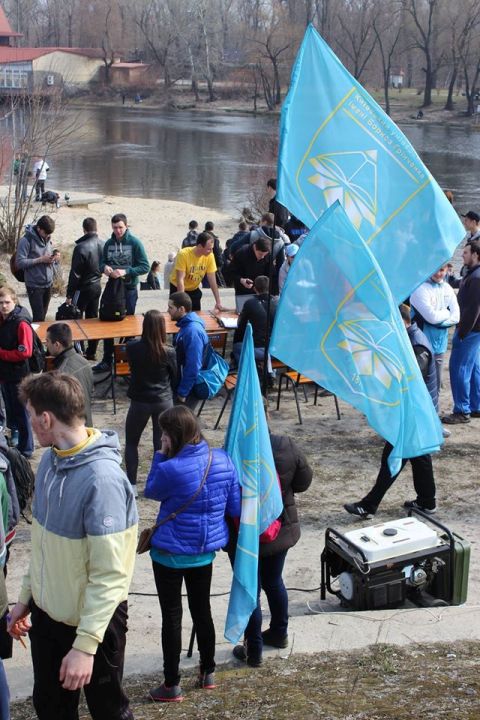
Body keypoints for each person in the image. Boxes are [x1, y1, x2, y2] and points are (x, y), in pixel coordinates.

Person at [8, 373, 138, 720]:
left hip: (97, 624)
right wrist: (26, 598)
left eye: (30, 415)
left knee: (109, 712)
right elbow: (43, 545)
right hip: (48, 618)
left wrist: (84, 646)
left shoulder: (103, 481)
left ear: (46, 418)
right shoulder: (49, 462)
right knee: (50, 708)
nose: (28, 423)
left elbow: (111, 575)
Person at [144, 405, 240, 702]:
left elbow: (151, 490)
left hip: (169, 554)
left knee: (172, 617)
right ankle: (208, 671)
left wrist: (160, 455)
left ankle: (171, 684)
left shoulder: (170, 468)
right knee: (202, 610)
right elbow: (235, 507)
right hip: (203, 552)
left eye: (163, 433)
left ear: (173, 436)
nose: (161, 437)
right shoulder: (223, 460)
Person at [344, 304, 438, 518]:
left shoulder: (417, 345)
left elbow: (410, 380)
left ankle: (369, 505)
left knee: (393, 457)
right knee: (419, 458)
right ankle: (427, 501)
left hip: (414, 413)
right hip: (415, 411)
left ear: (402, 322)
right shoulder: (409, 340)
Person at [232, 430, 313, 666]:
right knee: (273, 582)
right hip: (279, 527)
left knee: (252, 589)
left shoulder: (236, 447)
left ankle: (254, 649)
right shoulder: (285, 444)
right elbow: (303, 481)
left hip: (247, 532)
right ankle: (278, 632)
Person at [125, 310, 177, 496]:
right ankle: (158, 482)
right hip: (163, 400)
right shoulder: (169, 351)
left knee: (132, 442)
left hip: (140, 401)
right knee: (161, 443)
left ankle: (132, 484)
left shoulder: (132, 347)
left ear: (144, 326)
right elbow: (175, 376)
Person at [93, 213, 150, 373]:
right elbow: (101, 263)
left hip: (129, 289)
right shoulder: (108, 243)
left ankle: (126, 359)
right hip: (112, 288)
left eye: (120, 227)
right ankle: (107, 360)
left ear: (126, 226)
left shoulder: (135, 243)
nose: (118, 231)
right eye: (115, 227)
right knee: (108, 322)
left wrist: (126, 271)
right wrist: (104, 268)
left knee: (128, 325)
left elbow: (145, 266)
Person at [442, 241, 480, 424]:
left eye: (465, 252)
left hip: (470, 331)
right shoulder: (472, 273)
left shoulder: (477, 277)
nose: (462, 255)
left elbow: (474, 309)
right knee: (473, 368)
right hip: (473, 331)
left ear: (475, 255)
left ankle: (462, 411)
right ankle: (475, 406)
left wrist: (462, 332)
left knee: (459, 368)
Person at [410, 264, 460, 395]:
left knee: (435, 387)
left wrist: (440, 319)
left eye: (441, 270)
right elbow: (432, 318)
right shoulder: (419, 288)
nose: (438, 273)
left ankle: (434, 408)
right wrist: (446, 312)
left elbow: (456, 317)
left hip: (440, 347)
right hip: (421, 347)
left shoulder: (447, 288)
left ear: (447, 270)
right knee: (420, 386)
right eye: (435, 269)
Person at [0, 286, 34, 458]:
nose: (4, 306)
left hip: (18, 374)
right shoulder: (3, 319)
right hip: (5, 373)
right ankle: (16, 438)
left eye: (7, 302)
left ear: (14, 302)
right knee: (11, 409)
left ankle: (26, 449)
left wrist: (1, 354)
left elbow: (25, 352)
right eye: (0, 303)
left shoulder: (21, 323)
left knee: (22, 412)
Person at [65, 217, 104, 361]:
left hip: (82, 288)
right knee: (92, 319)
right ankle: (92, 351)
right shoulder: (103, 244)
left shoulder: (81, 247)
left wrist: (69, 293)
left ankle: (79, 352)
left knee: (76, 319)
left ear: (84, 229)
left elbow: (75, 273)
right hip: (97, 285)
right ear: (96, 228)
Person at [46, 323, 94, 427]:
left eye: (47, 341)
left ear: (57, 345)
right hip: (86, 425)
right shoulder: (85, 363)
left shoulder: (61, 374)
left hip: (71, 429)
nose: (46, 345)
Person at [167, 292, 209, 410]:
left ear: (181, 309)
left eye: (170, 307)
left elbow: (193, 365)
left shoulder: (192, 332)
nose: (168, 310)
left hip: (188, 390)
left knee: (181, 420)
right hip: (183, 384)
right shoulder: (186, 326)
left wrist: (183, 392)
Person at [16, 215, 58, 322]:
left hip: (48, 283)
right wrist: (40, 260)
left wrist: (54, 256)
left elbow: (49, 251)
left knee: (43, 315)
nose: (48, 236)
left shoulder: (47, 237)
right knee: (38, 318)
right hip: (34, 285)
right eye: (46, 233)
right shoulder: (25, 241)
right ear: (39, 228)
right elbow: (20, 263)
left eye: (49, 234)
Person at [169, 232, 225, 312]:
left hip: (194, 289)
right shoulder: (183, 254)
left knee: (195, 314)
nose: (211, 251)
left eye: (212, 248)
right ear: (199, 246)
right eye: (208, 249)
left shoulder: (210, 256)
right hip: (177, 288)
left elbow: (212, 280)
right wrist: (182, 302)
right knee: (178, 314)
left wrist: (218, 302)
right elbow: (180, 279)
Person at [232, 276, 278, 367]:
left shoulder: (250, 303)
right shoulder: (276, 302)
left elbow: (240, 324)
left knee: (236, 347)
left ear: (255, 288)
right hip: (276, 349)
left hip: (260, 349)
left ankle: (246, 372)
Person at [228, 236, 272, 311]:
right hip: (243, 291)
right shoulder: (241, 253)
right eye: (260, 254)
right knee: (242, 312)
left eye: (264, 255)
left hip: (261, 292)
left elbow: (271, 274)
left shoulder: (267, 255)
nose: (262, 257)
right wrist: (241, 280)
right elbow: (230, 272)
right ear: (255, 247)